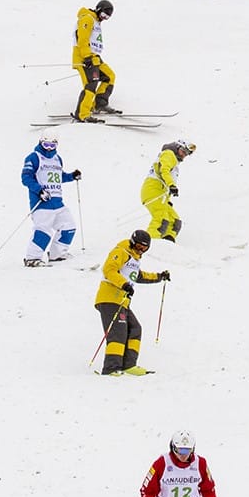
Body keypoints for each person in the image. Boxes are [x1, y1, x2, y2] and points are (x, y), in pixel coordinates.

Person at [94, 229, 168, 376]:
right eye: (139, 246)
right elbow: (109, 270)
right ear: (132, 242)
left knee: (135, 329)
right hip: (110, 298)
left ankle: (129, 365)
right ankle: (111, 368)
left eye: (145, 248)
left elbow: (138, 276)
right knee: (118, 332)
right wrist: (124, 284)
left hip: (122, 301)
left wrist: (160, 276)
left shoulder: (134, 259)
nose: (141, 250)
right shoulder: (121, 251)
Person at [21, 136, 81, 265]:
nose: (49, 148)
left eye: (52, 145)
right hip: (42, 203)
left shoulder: (57, 159)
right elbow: (26, 178)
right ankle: (32, 258)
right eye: (46, 144)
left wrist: (72, 176)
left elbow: (59, 177)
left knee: (69, 227)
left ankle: (57, 254)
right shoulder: (34, 157)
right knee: (43, 230)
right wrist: (39, 191)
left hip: (57, 202)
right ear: (40, 142)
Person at [141, 140, 195, 240]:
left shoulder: (174, 161)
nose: (183, 155)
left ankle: (166, 243)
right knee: (161, 219)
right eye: (183, 151)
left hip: (160, 193)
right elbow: (164, 170)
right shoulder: (168, 153)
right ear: (177, 147)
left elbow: (166, 184)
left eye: (186, 154)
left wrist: (167, 200)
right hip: (153, 190)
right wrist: (172, 185)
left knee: (174, 221)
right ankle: (151, 242)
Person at [72, 0, 116, 122]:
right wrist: (87, 57)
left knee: (109, 76)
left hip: (94, 57)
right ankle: (82, 114)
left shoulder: (96, 21)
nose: (104, 18)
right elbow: (82, 39)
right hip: (85, 58)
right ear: (98, 9)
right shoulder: (87, 18)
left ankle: (100, 104)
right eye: (103, 15)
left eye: (107, 17)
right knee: (91, 84)